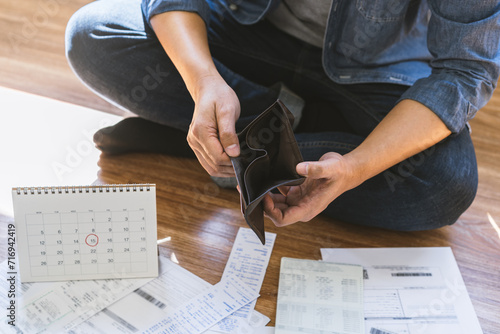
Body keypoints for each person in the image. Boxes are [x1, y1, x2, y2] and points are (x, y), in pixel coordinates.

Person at [65, 0, 500, 231]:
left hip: (377, 72)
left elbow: (467, 68)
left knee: (445, 184)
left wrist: (358, 166)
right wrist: (204, 83)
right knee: (93, 35)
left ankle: (219, 144)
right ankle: (266, 139)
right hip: (242, 28)